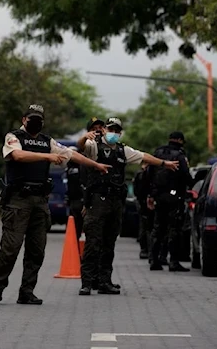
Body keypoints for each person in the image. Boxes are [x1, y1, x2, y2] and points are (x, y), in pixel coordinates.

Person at [0, 104, 112, 305]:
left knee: (36, 250)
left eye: (40, 119)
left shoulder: (46, 141)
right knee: (10, 248)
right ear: (24, 119)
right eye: (32, 118)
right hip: (18, 200)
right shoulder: (14, 137)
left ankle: (27, 291)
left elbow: (70, 154)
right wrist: (47, 156)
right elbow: (17, 155)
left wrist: (95, 165)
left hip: (40, 201)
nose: (36, 122)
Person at [78, 118, 179, 296]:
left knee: (109, 244)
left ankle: (104, 281)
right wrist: (84, 138)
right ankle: (86, 283)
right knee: (93, 243)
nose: (113, 133)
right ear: (104, 129)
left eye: (117, 130)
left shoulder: (123, 150)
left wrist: (164, 163)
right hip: (97, 201)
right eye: (111, 129)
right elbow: (81, 147)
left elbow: (144, 156)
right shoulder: (94, 146)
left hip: (115, 202)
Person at [147, 131, 193, 272]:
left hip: (159, 196)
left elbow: (150, 174)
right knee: (174, 229)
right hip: (175, 197)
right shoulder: (179, 155)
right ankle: (173, 261)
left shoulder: (158, 153)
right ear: (180, 140)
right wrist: (191, 186)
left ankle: (154, 260)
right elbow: (186, 176)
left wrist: (151, 195)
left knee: (158, 228)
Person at [133, 162, 153, 260]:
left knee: (144, 227)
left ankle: (145, 250)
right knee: (147, 228)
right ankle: (147, 250)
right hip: (146, 203)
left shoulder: (140, 174)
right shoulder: (143, 174)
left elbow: (136, 190)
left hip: (143, 202)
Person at [65, 146, 85, 245]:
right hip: (73, 200)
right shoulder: (69, 168)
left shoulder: (81, 167)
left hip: (81, 199)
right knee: (75, 225)